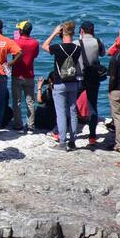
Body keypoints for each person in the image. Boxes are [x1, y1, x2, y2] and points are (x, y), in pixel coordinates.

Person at [44, 21, 85, 151]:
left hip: (59, 83)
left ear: (62, 33)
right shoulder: (78, 48)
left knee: (61, 113)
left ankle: (62, 143)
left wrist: (54, 33)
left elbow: (44, 46)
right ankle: (72, 142)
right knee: (72, 112)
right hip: (73, 82)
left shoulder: (58, 48)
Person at [78, 21, 107, 144]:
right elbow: (103, 53)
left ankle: (65, 132)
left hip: (79, 78)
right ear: (93, 30)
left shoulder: (76, 43)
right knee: (93, 106)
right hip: (94, 78)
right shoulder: (98, 42)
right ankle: (92, 136)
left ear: (82, 31)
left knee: (70, 105)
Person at [10, 21, 40, 131]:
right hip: (29, 75)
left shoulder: (15, 42)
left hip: (17, 75)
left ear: (21, 31)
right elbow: (35, 55)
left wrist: (16, 40)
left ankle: (18, 125)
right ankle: (31, 126)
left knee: (17, 101)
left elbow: (14, 55)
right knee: (30, 101)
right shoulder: (35, 43)